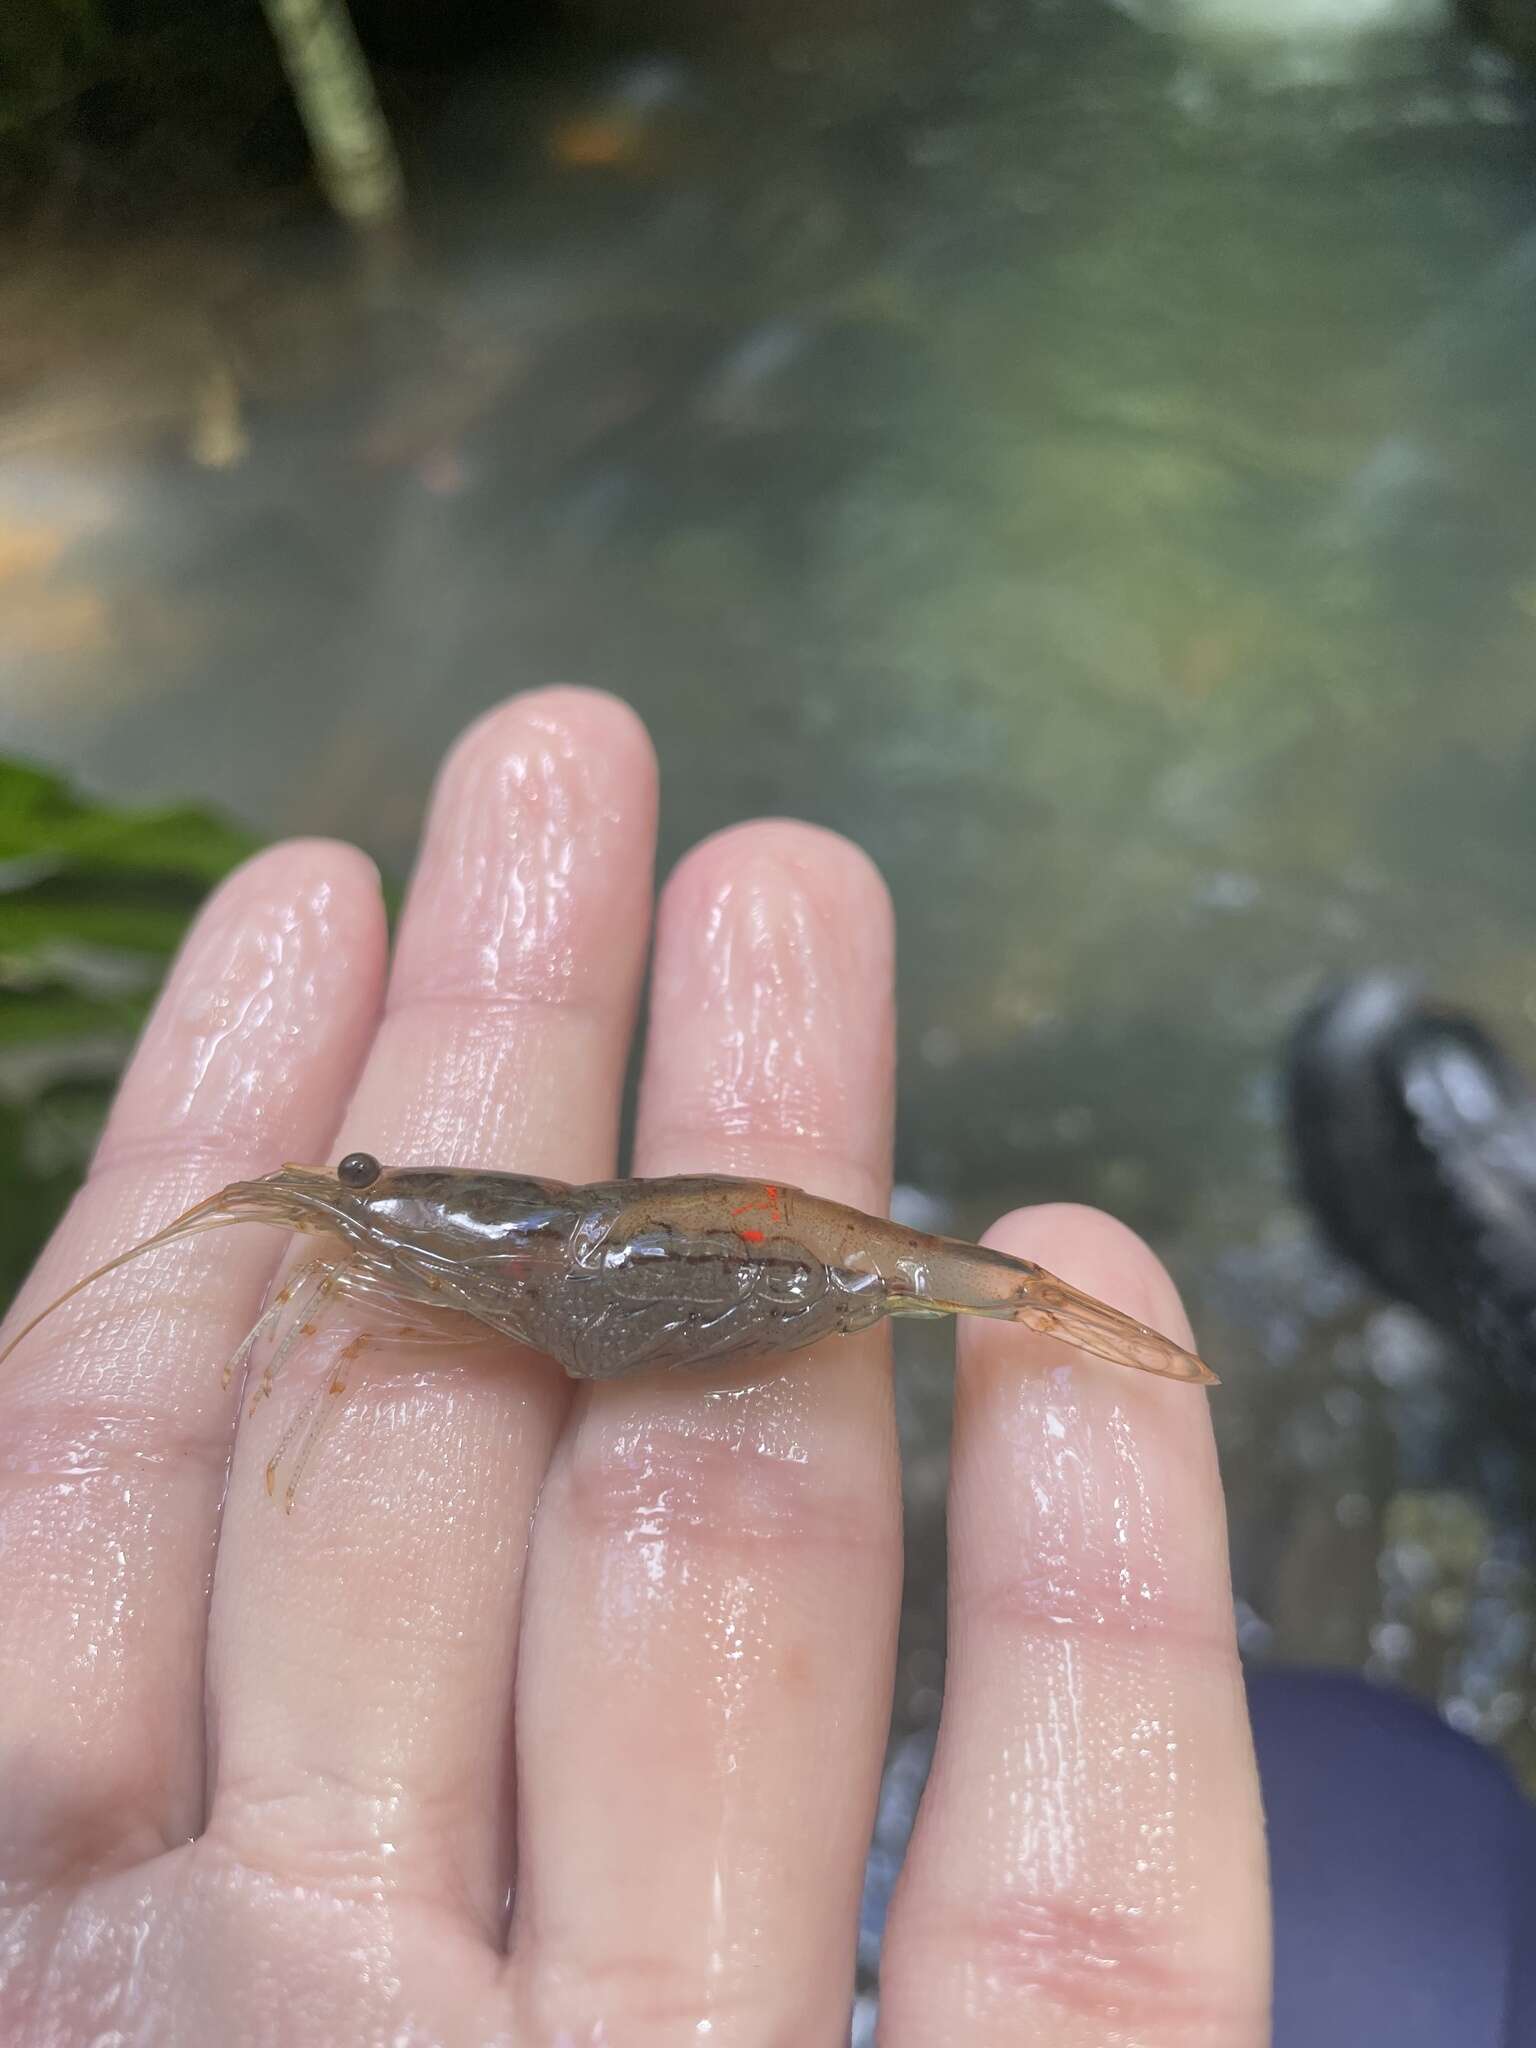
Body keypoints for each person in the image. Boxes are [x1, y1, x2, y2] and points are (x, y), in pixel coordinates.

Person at [0, 687, 1514, 2046]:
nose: (346, 1226)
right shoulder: (423, 1251)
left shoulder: (482, 1265)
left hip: (691, 1257)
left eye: (368, 1184)